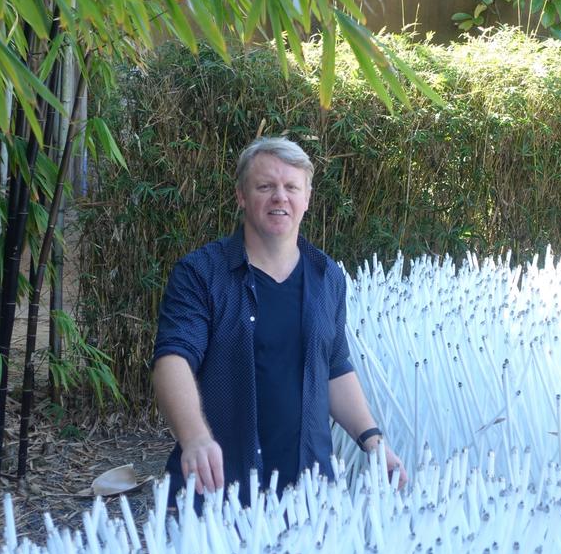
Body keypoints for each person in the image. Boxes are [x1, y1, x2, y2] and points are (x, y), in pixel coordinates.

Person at [152, 136, 407, 506]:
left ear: (307, 198)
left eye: (291, 187)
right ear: (241, 195)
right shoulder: (201, 273)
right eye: (265, 186)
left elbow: (334, 366)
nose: (279, 197)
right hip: (218, 486)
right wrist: (194, 437)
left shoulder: (327, 276)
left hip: (308, 490)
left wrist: (373, 442)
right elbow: (173, 359)